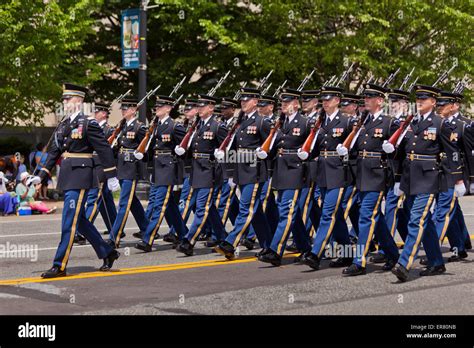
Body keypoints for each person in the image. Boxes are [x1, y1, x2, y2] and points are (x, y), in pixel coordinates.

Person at [37, 83, 120, 278]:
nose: (65, 102)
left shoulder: (88, 123)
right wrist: (40, 175)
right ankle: (108, 252)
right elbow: (54, 151)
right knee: (80, 221)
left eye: (69, 99)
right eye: (64, 99)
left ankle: (59, 265)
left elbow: (103, 149)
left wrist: (111, 175)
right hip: (68, 176)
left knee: (69, 221)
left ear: (79, 100)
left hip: (82, 176)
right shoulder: (64, 124)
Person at [382, 84, 454, 281]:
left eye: (424, 99)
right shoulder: (410, 122)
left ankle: (404, 263)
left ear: (433, 102)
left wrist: (457, 180)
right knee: (425, 222)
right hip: (409, 177)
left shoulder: (440, 123)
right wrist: (391, 150)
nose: (419, 102)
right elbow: (404, 151)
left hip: (428, 177)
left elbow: (452, 153)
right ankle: (437, 262)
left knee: (416, 220)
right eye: (418, 99)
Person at [336, 83, 400, 275]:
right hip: (361, 175)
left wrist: (394, 154)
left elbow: (400, 151)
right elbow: (358, 148)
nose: (366, 101)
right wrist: (346, 150)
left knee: (366, 216)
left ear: (380, 101)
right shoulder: (362, 122)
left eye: (370, 98)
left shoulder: (389, 123)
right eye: (365, 98)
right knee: (375, 217)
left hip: (377, 175)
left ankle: (359, 260)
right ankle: (392, 253)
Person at [214, 88, 273, 260]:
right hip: (241, 171)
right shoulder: (240, 121)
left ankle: (230, 243)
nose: (243, 103)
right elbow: (235, 148)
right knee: (256, 212)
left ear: (255, 101)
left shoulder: (262, 122)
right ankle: (268, 245)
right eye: (242, 101)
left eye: (247, 100)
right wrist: (230, 171)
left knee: (246, 208)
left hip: (255, 172)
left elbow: (269, 149)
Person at [175, 94, 228, 256]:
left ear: (211, 108)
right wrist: (184, 152)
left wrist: (226, 168)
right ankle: (222, 236)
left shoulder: (217, 126)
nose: (199, 109)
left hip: (209, 170)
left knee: (202, 206)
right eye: (199, 106)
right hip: (197, 169)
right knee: (206, 207)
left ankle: (189, 240)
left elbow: (227, 149)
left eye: (203, 106)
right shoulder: (198, 125)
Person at [134, 95, 188, 252]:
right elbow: (152, 148)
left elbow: (184, 149)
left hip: (168, 169)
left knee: (159, 204)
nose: (156, 109)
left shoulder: (175, 127)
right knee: (170, 206)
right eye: (156, 107)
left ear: (169, 108)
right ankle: (184, 235)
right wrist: (144, 156)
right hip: (158, 169)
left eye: (160, 107)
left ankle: (148, 239)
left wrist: (180, 159)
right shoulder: (156, 126)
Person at [108, 97, 150, 248]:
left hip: (131, 169)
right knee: (132, 202)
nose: (123, 111)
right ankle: (147, 229)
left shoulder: (139, 127)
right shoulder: (123, 127)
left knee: (124, 203)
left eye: (126, 109)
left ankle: (114, 237)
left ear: (133, 110)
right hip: (121, 167)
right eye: (122, 109)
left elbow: (145, 149)